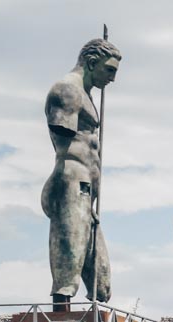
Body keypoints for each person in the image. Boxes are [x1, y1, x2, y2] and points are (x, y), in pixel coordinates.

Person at [42, 38, 121, 308]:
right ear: (91, 62)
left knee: (102, 278)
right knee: (69, 256)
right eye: (109, 70)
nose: (112, 78)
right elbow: (65, 138)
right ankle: (61, 319)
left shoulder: (85, 94)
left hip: (87, 192)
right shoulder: (67, 90)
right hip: (72, 182)